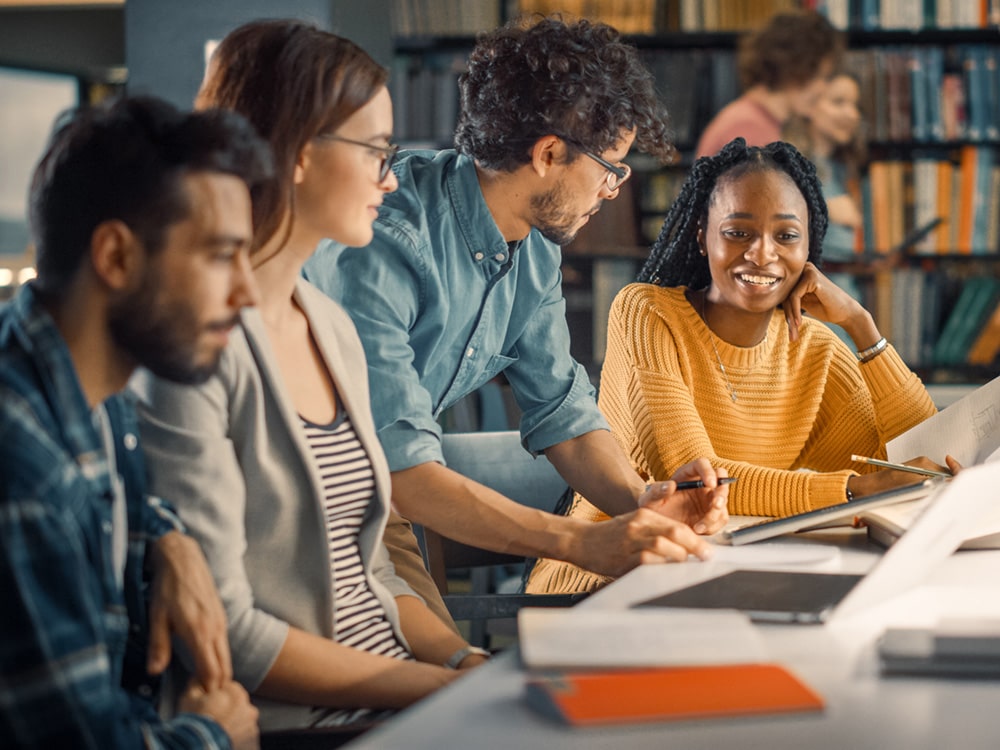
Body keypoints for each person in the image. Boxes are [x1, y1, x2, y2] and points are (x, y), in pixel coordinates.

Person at [302, 15, 731, 614]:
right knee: (446, 684)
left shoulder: (534, 253)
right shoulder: (389, 238)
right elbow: (400, 469)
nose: (612, 193)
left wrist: (645, 503)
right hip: (306, 506)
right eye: (610, 170)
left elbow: (562, 412)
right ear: (550, 154)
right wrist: (583, 543)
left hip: (378, 502)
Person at [131, 20, 484, 731]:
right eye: (378, 151)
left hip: (399, 700)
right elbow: (228, 628)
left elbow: (372, 575)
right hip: (308, 724)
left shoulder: (331, 325)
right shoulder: (194, 350)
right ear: (296, 152)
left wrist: (460, 663)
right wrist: (433, 690)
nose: (391, 178)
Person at [527, 138, 952, 595]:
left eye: (786, 236)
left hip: (726, 571)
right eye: (737, 232)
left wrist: (861, 325)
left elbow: (912, 465)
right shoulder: (647, 314)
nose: (762, 253)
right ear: (701, 235)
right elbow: (698, 481)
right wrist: (850, 492)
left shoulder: (815, 348)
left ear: (809, 247)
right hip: (608, 575)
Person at [0, 96, 268, 748]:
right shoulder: (22, 470)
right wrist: (214, 733)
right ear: (117, 257)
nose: (247, 292)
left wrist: (166, 539)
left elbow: (128, 502)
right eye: (219, 255)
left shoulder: (96, 388)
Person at [696, 9, 844, 158]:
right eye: (820, 76)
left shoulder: (755, 121)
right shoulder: (747, 128)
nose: (823, 88)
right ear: (794, 67)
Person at [784, 71, 866, 262]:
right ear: (809, 106)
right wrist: (825, 209)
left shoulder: (843, 168)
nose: (852, 114)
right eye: (838, 102)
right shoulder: (789, 165)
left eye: (856, 106)